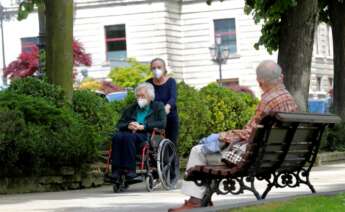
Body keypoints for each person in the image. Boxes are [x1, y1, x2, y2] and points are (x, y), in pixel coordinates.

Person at [168, 60, 299, 212]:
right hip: (277, 155)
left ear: (260, 82)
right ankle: (204, 198)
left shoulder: (268, 100)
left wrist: (223, 135)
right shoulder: (288, 98)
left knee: (198, 150)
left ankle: (195, 201)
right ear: (281, 77)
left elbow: (250, 133)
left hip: (253, 158)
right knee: (210, 147)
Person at [111, 82, 166, 180]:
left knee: (128, 137)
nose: (140, 98)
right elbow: (119, 124)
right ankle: (116, 170)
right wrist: (128, 125)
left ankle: (130, 170)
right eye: (138, 96)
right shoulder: (130, 108)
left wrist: (143, 127)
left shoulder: (158, 106)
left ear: (150, 96)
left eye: (142, 96)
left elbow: (162, 123)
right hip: (129, 132)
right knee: (117, 136)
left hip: (146, 134)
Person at [147, 58, 180, 180]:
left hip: (170, 117)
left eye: (159, 67)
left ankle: (172, 174)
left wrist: (167, 107)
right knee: (152, 145)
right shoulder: (148, 83)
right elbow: (146, 99)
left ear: (164, 68)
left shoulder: (171, 82)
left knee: (171, 145)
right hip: (155, 118)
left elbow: (173, 98)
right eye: (154, 68)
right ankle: (154, 171)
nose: (156, 70)